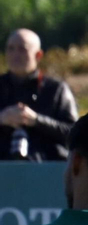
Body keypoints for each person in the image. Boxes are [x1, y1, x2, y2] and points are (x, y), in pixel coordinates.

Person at [1, 29, 76, 162]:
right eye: (10, 49)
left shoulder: (56, 89)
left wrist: (36, 120)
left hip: (45, 170)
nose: (15, 55)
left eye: (22, 49)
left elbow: (75, 134)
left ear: (38, 55)